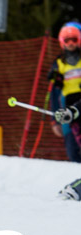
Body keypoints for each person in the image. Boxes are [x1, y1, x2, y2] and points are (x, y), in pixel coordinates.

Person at [48, 23, 81, 163]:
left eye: (74, 39)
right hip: (69, 108)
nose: (71, 43)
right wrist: (54, 120)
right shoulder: (59, 63)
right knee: (72, 148)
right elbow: (53, 94)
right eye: (67, 40)